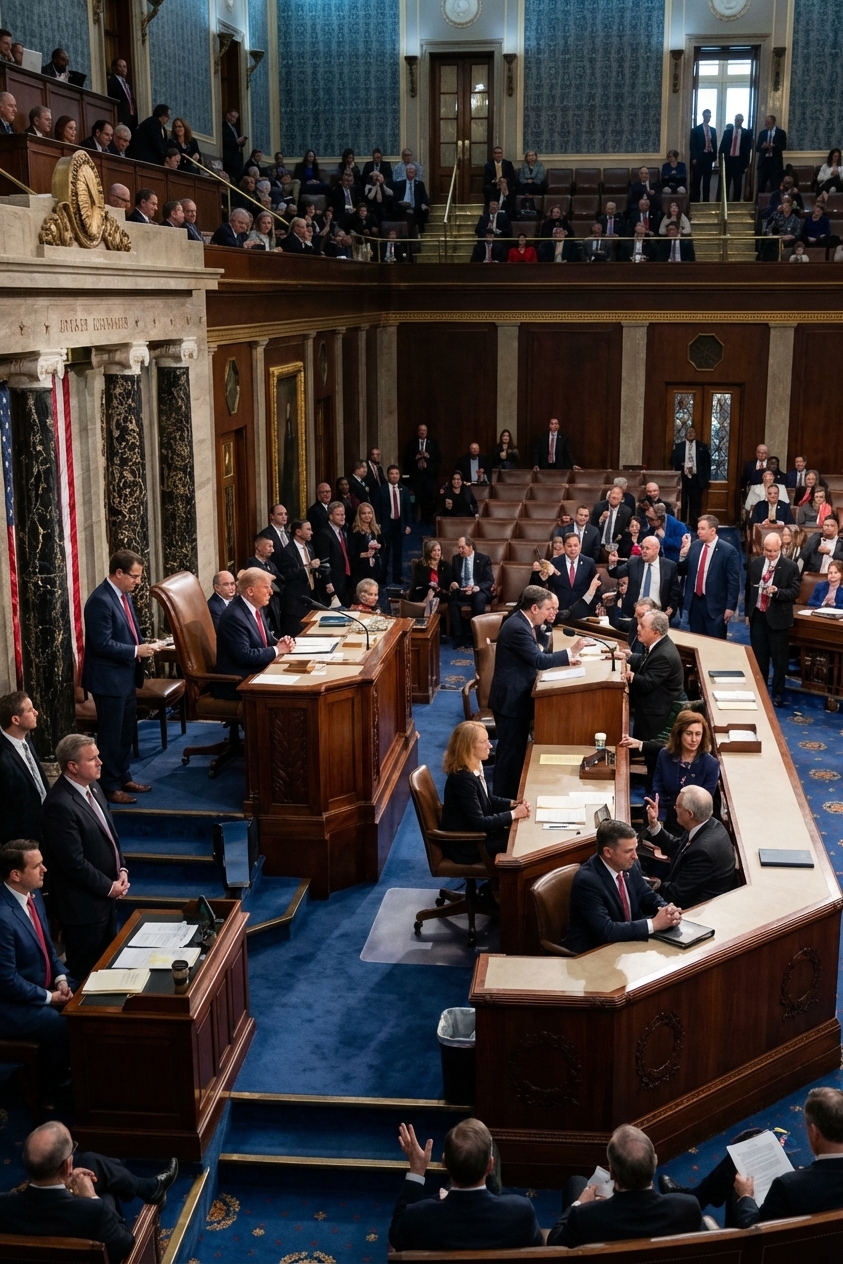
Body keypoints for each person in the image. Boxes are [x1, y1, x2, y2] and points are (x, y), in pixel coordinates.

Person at [660, 1086, 843, 1227]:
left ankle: (695, 1200)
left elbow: (754, 1230)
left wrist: (746, 1196)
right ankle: (697, 1198)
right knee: (750, 1139)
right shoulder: (796, 1184)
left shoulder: (790, 1186)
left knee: (739, 1178)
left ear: (814, 1132)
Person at [0, 1121, 177, 1263]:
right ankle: (148, 1187)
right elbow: (125, 1246)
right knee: (104, 1186)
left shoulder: (4, 1206)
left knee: (89, 1162)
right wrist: (91, 1198)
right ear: (68, 1165)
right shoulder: (94, 1212)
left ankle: (149, 1187)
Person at [40, 735, 128, 979]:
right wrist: (109, 887)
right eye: (93, 759)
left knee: (108, 966)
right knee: (87, 974)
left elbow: (110, 834)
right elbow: (73, 863)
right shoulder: (59, 805)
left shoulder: (94, 787)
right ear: (73, 766)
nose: (100, 762)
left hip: (106, 899)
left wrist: (122, 870)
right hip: (83, 910)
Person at [489, 586, 585, 798]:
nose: (552, 613)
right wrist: (572, 650)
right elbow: (539, 660)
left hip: (517, 697)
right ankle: (502, 802)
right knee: (509, 756)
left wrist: (547, 631)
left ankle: (511, 798)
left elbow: (539, 649)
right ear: (534, 608)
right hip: (510, 701)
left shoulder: (527, 623)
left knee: (515, 753)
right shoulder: (517, 627)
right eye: (548, 609)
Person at [390, 1117, 541, 1252]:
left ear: (444, 1163)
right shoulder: (521, 1212)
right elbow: (535, 1248)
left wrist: (417, 1170)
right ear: (490, 1166)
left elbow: (397, 1238)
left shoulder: (418, 1216)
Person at [548, 1124, 702, 1248]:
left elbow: (554, 1243)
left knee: (577, 1182)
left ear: (612, 1173)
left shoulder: (583, 1216)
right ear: (654, 1164)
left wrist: (579, 1203)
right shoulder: (688, 1207)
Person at [81, 550, 154, 804]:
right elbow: (101, 644)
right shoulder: (100, 600)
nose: (138, 581)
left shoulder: (123, 595)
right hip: (108, 680)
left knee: (125, 732)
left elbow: (131, 629)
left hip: (125, 677)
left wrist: (143, 646)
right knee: (111, 736)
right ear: (119, 573)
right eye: (134, 576)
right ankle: (109, 786)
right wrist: (136, 650)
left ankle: (123, 776)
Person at [0, 842, 73, 1093]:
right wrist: (49, 997)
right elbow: (7, 981)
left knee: (87, 994)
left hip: (40, 984)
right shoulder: (2, 917)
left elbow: (47, 949)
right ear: (15, 875)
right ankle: (48, 1087)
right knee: (60, 1023)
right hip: (10, 1005)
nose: (45, 869)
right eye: (37, 866)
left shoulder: (34, 896)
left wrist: (61, 978)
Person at [563, 818, 681, 954]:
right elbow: (607, 930)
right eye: (628, 851)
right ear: (608, 852)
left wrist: (667, 911)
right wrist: (654, 924)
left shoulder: (630, 865)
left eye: (635, 849)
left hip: (628, 945)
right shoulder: (587, 881)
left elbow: (646, 895)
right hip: (595, 953)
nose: (635, 856)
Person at [440, 721, 530, 862]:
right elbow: (480, 822)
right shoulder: (463, 779)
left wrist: (513, 803)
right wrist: (514, 814)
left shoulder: (474, 765)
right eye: (483, 742)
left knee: (522, 834)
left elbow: (488, 799)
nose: (490, 745)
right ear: (468, 748)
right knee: (523, 843)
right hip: (469, 845)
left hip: (481, 835)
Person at [642, 783, 735, 907]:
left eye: (678, 806)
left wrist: (653, 885)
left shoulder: (703, 852)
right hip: (684, 889)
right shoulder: (707, 823)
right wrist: (654, 824)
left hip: (694, 909)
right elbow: (678, 847)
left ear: (690, 814)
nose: (674, 807)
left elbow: (677, 894)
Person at [214, 568, 294, 692]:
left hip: (257, 673)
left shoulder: (256, 608)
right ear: (250, 591)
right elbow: (245, 655)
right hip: (239, 683)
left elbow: (264, 641)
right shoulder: (234, 616)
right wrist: (277, 649)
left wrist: (281, 643)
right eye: (266, 587)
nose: (271, 592)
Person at [744, 533, 802, 705]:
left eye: (774, 551)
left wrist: (777, 592)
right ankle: (760, 690)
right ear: (763, 548)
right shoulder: (756, 563)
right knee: (759, 658)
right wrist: (748, 613)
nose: (770, 554)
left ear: (781, 549)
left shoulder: (790, 566)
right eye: (767, 550)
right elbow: (749, 590)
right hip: (758, 617)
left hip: (778, 620)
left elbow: (795, 592)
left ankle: (777, 693)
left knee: (779, 660)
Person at [648, 710, 720, 824]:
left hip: (692, 821)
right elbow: (657, 788)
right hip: (665, 813)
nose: (694, 739)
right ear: (679, 733)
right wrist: (659, 819)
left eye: (698, 734)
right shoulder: (665, 754)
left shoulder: (711, 764)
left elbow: (703, 804)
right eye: (688, 733)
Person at [625, 610, 685, 740]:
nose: (637, 628)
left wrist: (629, 675)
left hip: (656, 719)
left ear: (656, 632)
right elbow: (646, 661)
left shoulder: (664, 655)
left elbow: (647, 683)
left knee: (650, 757)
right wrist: (628, 657)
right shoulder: (659, 645)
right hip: (649, 711)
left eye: (642, 626)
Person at [678, 515, 741, 638]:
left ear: (712, 530)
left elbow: (733, 581)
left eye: (702, 529)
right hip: (695, 604)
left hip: (716, 607)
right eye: (698, 528)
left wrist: (730, 607)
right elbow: (683, 570)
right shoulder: (695, 546)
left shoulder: (728, 551)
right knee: (696, 641)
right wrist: (682, 555)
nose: (698, 532)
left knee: (715, 644)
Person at [0, 692, 49, 843]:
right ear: (15, 719)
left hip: (44, 828)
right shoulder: (2, 758)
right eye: (30, 710)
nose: (36, 712)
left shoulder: (26, 738)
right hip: (21, 839)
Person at [607, 536, 681, 620]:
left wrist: (672, 607)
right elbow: (616, 573)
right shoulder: (633, 562)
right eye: (642, 548)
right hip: (634, 612)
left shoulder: (669, 566)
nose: (644, 551)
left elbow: (675, 591)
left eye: (647, 548)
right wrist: (612, 564)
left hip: (658, 614)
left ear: (657, 549)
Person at [535, 533, 601, 621]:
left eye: (575, 545)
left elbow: (596, 587)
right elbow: (546, 587)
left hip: (582, 612)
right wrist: (540, 571)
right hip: (560, 612)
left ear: (580, 546)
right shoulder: (554, 562)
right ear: (564, 546)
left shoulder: (589, 562)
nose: (573, 549)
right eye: (569, 546)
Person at [279, 520, 323, 635]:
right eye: (308, 529)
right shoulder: (287, 551)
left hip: (310, 599)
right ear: (298, 531)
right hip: (295, 604)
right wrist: (307, 568)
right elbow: (285, 574)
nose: (311, 532)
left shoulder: (309, 547)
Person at [448, 538, 494, 648]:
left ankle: (476, 636)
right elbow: (453, 578)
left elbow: (489, 580)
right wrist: (453, 583)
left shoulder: (483, 559)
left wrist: (477, 587)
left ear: (470, 547)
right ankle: (459, 637)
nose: (460, 550)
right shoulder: (456, 559)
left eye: (462, 547)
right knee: (452, 600)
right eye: (458, 547)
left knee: (480, 599)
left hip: (477, 591)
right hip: (462, 590)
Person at [377, 465, 412, 584]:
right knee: (384, 552)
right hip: (386, 525)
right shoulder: (381, 490)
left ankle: (397, 577)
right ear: (388, 475)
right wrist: (378, 524)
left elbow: (408, 509)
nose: (394, 476)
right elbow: (377, 509)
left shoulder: (405, 490)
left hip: (399, 524)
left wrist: (408, 525)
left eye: (397, 473)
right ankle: (382, 577)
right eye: (392, 473)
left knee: (398, 552)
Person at [316, 501, 353, 607]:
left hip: (343, 578)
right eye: (338, 514)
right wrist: (328, 584)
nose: (342, 517)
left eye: (343, 514)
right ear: (330, 516)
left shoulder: (343, 530)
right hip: (333, 581)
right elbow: (324, 561)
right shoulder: (324, 533)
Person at [671, 426, 710, 525]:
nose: (691, 433)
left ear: (695, 434)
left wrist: (706, 479)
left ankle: (694, 524)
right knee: (683, 501)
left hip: (697, 478)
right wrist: (681, 463)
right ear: (685, 434)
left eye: (693, 432)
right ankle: (682, 522)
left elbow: (707, 464)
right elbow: (672, 461)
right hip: (683, 478)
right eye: (689, 432)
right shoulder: (679, 446)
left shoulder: (702, 446)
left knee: (696, 502)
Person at [403, 423, 440, 522]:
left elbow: (438, 458)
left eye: (424, 430)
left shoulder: (433, 443)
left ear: (427, 432)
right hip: (416, 476)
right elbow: (406, 459)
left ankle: (427, 520)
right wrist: (416, 458)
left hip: (429, 477)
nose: (422, 432)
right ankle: (414, 520)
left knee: (428, 499)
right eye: (420, 430)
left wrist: (428, 457)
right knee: (415, 499)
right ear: (418, 432)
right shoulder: (412, 443)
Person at [590, 484, 633, 554]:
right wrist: (601, 520)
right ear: (609, 496)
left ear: (622, 498)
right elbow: (592, 527)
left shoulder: (626, 511)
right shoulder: (599, 507)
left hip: (616, 547)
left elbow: (626, 532)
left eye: (618, 494)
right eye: (613, 493)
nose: (615, 496)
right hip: (599, 545)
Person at [409, 539, 454, 605]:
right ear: (429, 552)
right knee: (428, 592)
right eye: (434, 550)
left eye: (439, 550)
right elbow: (419, 582)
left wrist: (438, 589)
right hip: (424, 591)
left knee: (439, 595)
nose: (437, 552)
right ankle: (428, 603)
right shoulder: (421, 565)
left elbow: (449, 580)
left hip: (440, 592)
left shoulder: (445, 565)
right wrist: (431, 588)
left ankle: (427, 607)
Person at [349, 501, 383, 588]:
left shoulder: (376, 529)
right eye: (364, 513)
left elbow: (383, 545)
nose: (367, 515)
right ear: (359, 515)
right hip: (360, 569)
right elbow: (351, 553)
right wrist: (366, 554)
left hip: (374, 567)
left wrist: (379, 546)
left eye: (369, 513)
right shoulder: (355, 531)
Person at [719, 113, 751, 202]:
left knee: (737, 185)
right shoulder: (728, 132)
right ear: (734, 120)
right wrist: (721, 162)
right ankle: (724, 203)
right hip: (728, 161)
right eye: (736, 120)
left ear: (742, 121)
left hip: (739, 162)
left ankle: (735, 203)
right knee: (726, 184)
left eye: (739, 120)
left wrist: (746, 164)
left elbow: (747, 150)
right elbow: (722, 148)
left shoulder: (746, 133)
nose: (737, 121)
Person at [757, 114, 786, 193]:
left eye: (768, 122)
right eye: (766, 122)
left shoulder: (781, 133)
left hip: (775, 164)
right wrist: (763, 147)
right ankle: (759, 204)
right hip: (763, 163)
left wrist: (772, 146)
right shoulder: (762, 133)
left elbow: (783, 146)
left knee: (775, 186)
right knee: (761, 185)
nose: (766, 124)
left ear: (773, 123)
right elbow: (757, 147)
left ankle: (775, 203)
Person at [106, 57, 137, 133]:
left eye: (125, 67)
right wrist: (118, 119)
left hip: (131, 118)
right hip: (121, 118)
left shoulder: (127, 83)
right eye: (120, 66)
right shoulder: (111, 82)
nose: (123, 69)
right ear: (114, 68)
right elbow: (113, 100)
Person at [221, 108, 247, 181]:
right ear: (228, 115)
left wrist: (242, 142)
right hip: (228, 155)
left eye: (236, 118)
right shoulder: (223, 125)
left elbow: (238, 140)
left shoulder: (235, 128)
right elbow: (224, 139)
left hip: (235, 156)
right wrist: (235, 142)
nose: (234, 119)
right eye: (233, 117)